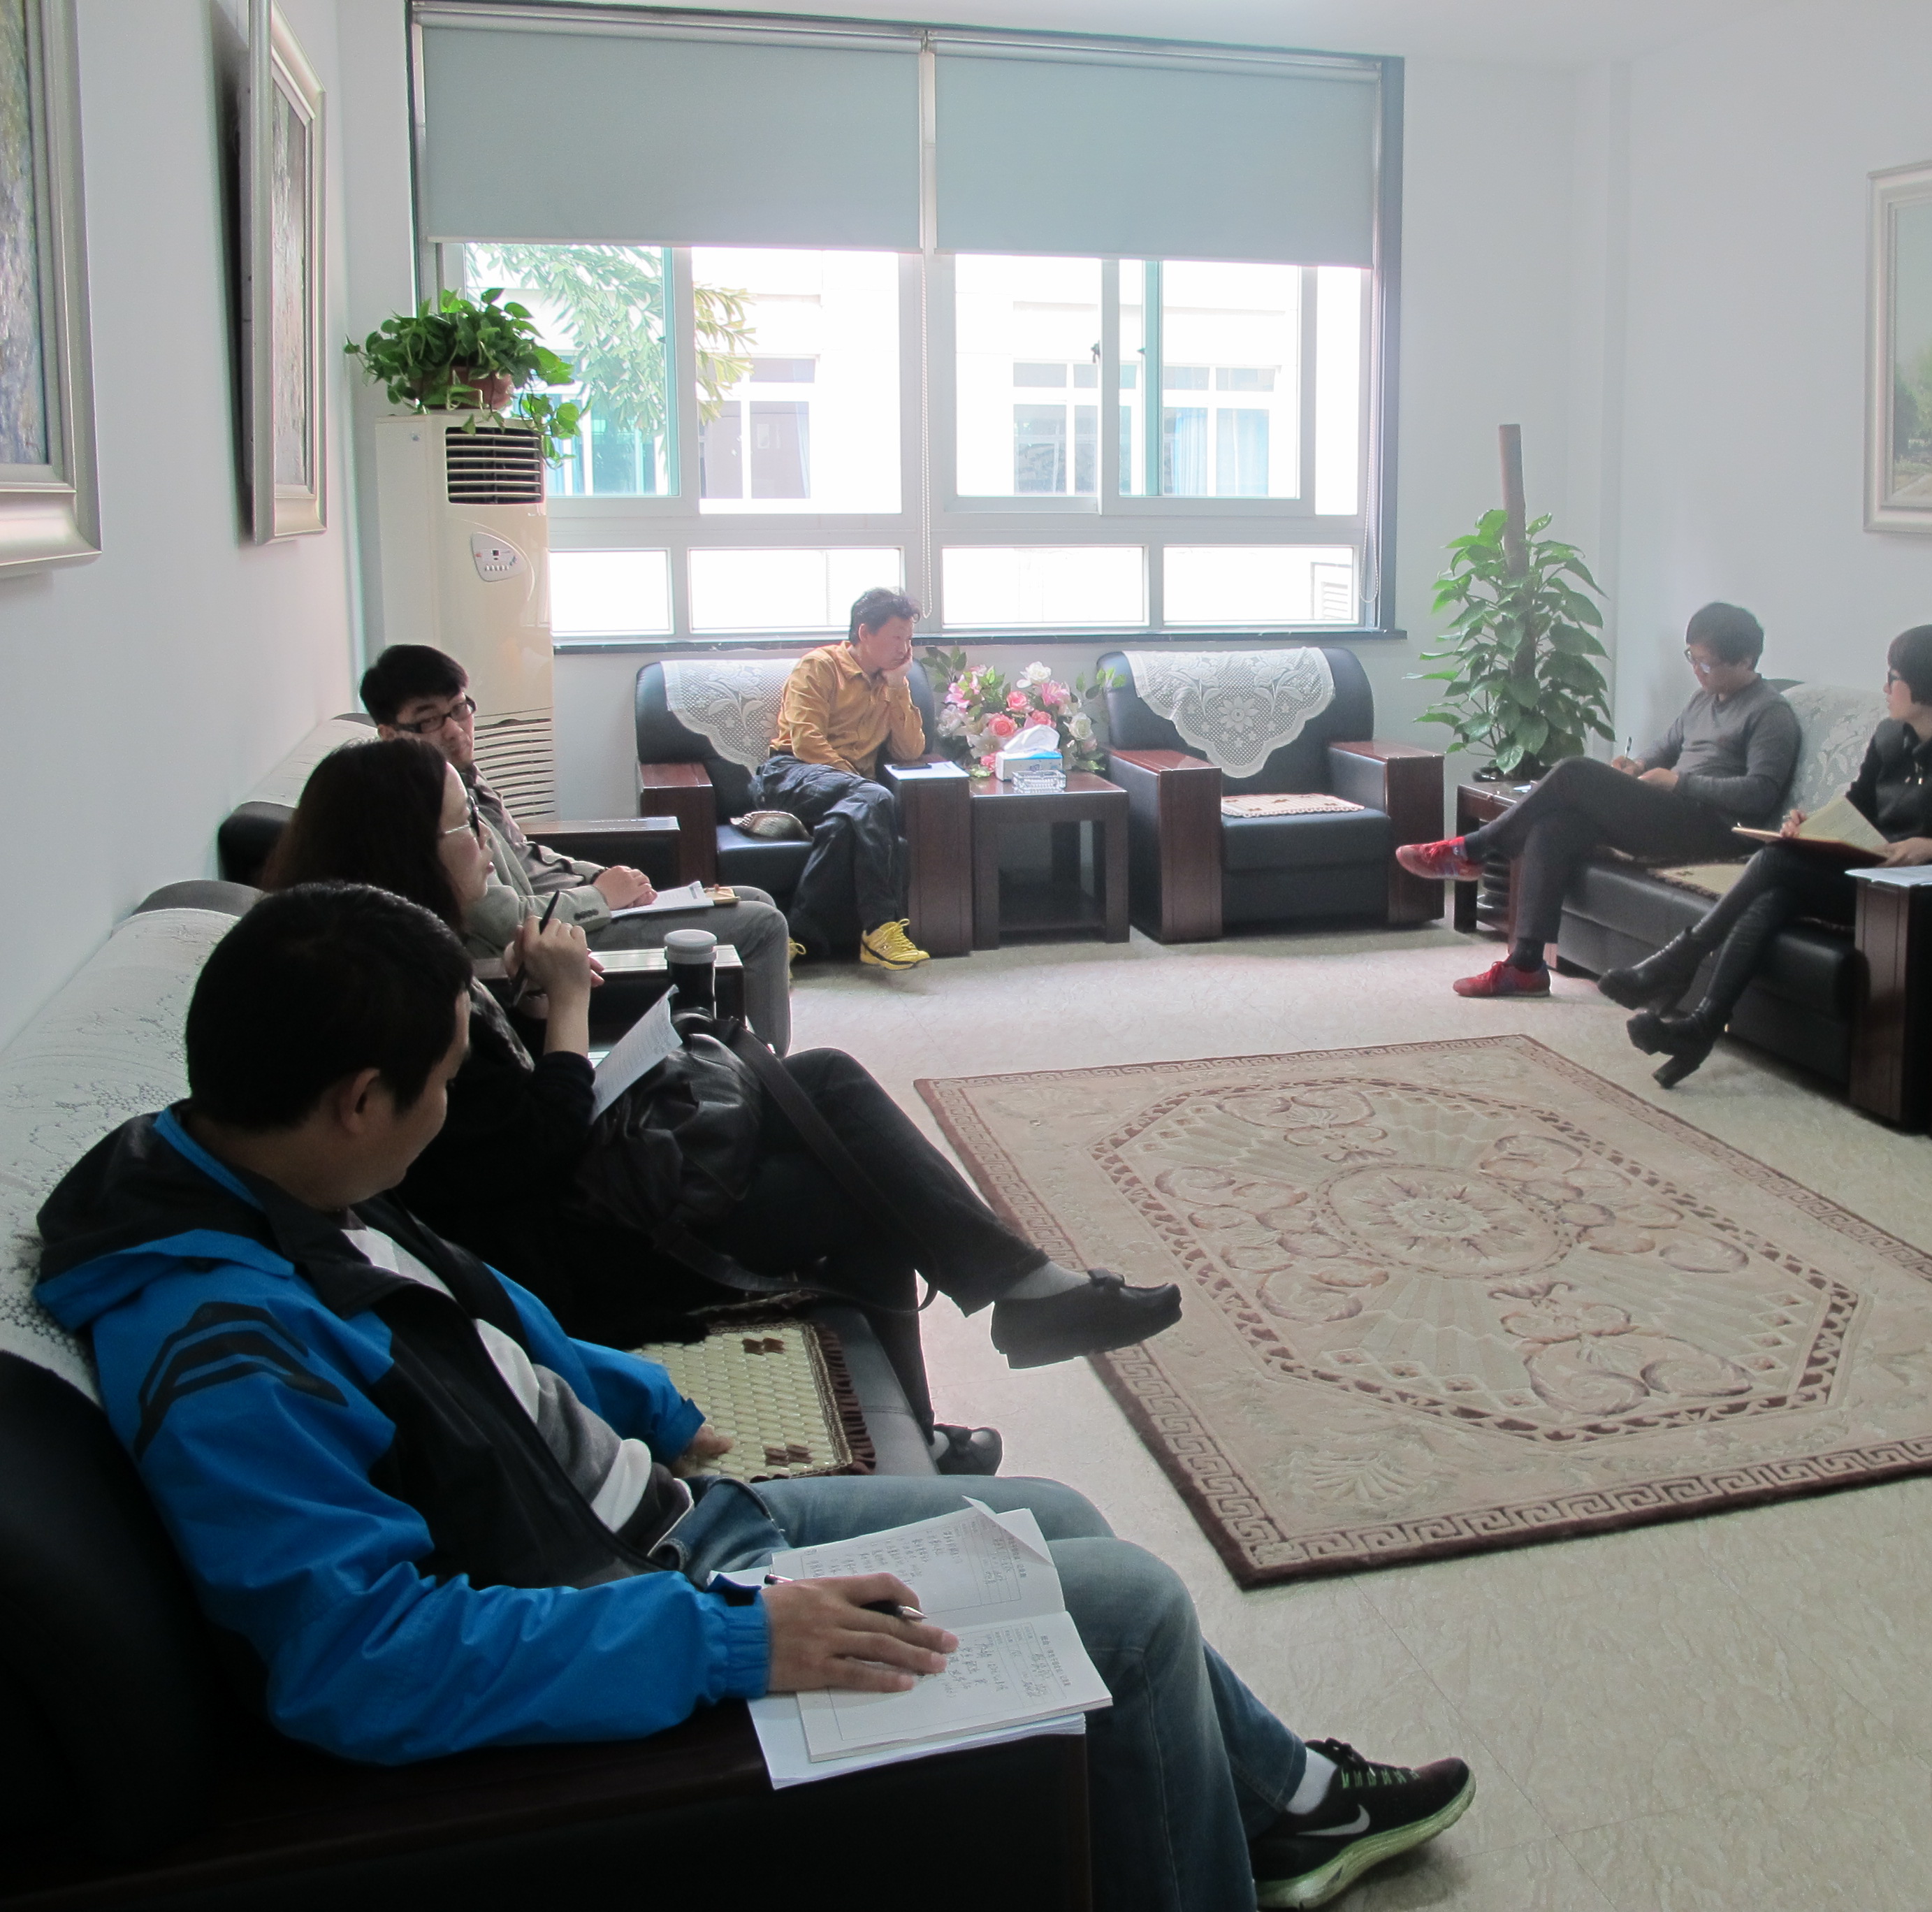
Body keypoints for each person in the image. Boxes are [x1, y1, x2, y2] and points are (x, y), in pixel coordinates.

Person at [34, 881, 1473, 1912]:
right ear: (360, 1097)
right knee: (1134, 1607)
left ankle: (1280, 1808)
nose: (451, 1107)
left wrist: (643, 1402)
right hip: (641, 1609)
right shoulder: (226, 1355)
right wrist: (734, 1641)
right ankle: (1241, 1843)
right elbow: (359, 1665)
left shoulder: (266, 1181)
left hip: (647, 1526)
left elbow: (477, 1321)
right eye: (445, 1083)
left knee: (1056, 1510)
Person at [263, 738, 1181, 1468]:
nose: (484, 841)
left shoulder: (393, 954)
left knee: (822, 1079)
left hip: (587, 1196)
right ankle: (995, 1330)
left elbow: (493, 1134)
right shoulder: (399, 1000)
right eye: (463, 825)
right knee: (856, 1181)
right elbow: (531, 1151)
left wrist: (530, 1004)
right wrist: (569, 1007)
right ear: (407, 850)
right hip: (585, 1253)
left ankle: (1010, 1301)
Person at [1604, 623, 1932, 1087]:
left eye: (1894, 677)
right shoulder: (1892, 737)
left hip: (1907, 897)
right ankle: (1701, 1027)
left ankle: (1679, 961)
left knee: (1774, 862)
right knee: (1774, 894)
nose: (1885, 688)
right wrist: (1811, 826)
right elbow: (1858, 806)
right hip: (1866, 871)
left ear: (1928, 688)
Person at [360, 644, 799, 1053]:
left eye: (459, 709)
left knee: (755, 898)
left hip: (572, 906)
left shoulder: (459, 777)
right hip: (563, 934)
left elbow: (526, 852)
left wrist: (598, 875)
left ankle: (748, 1055)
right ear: (389, 733)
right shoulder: (428, 816)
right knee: (762, 925)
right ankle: (773, 1068)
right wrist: (601, 897)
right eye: (430, 721)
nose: (455, 731)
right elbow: (506, 922)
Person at [1396, 602, 1803, 1000]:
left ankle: (1473, 848)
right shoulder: (1703, 699)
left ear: (1745, 660)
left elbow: (1759, 794)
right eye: (1692, 659)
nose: (1697, 670)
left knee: (1575, 771)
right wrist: (1637, 765)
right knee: (1555, 826)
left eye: (1707, 664)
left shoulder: (1769, 713)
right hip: (1674, 813)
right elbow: (1665, 748)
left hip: (1715, 830)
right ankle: (1526, 966)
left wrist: (1681, 782)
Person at [748, 586, 934, 972]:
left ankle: (791, 938)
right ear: (865, 633)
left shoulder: (892, 682)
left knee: (844, 825)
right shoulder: (819, 666)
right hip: (791, 773)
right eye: (896, 638)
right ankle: (880, 926)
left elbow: (910, 750)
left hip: (848, 795)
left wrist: (898, 687)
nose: (905, 649)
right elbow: (806, 740)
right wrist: (861, 786)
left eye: (909, 639)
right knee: (873, 798)